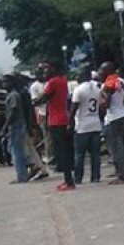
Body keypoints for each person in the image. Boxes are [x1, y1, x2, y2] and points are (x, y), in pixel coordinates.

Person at [38, 62, 76, 192]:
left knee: (61, 152)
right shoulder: (63, 80)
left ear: (53, 69)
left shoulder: (52, 82)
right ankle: (69, 179)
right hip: (64, 118)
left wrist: (35, 102)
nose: (44, 73)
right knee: (67, 150)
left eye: (46, 70)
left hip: (56, 120)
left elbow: (44, 98)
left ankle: (68, 181)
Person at [101, 62, 124, 184]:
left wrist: (103, 104)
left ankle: (121, 175)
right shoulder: (121, 81)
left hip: (114, 118)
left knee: (118, 147)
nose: (100, 72)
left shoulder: (108, 83)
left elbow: (107, 103)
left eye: (102, 70)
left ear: (107, 71)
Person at [70, 66, 102, 184]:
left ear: (83, 76)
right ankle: (96, 176)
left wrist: (70, 123)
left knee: (79, 154)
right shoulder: (97, 89)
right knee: (95, 153)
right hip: (95, 123)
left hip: (82, 125)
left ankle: (78, 178)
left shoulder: (78, 90)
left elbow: (74, 108)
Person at [1, 73, 30, 184]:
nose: (4, 84)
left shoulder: (13, 95)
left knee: (17, 152)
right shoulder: (12, 95)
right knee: (13, 149)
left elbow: (13, 111)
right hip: (16, 126)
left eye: (6, 82)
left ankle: (22, 176)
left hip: (16, 126)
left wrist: (4, 127)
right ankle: (26, 167)